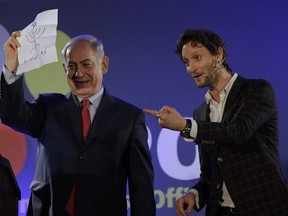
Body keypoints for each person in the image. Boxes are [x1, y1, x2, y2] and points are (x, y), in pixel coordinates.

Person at [0, 31, 156, 216]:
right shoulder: (47, 107)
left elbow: (142, 187)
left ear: (104, 64)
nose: (78, 73)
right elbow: (12, 115)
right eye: (71, 66)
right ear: (64, 69)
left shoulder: (129, 118)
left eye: (86, 64)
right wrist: (12, 67)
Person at [144, 29, 288, 216]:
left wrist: (186, 126)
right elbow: (210, 174)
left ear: (218, 54)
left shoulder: (257, 90)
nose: (191, 69)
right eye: (186, 62)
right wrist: (194, 194)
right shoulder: (201, 113)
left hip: (263, 209)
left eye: (197, 58)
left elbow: (239, 131)